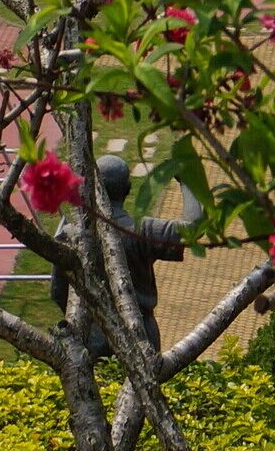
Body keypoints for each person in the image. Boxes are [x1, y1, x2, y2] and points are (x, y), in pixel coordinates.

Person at [49, 153, 193, 367]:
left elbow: (58, 292)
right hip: (142, 335)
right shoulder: (142, 231)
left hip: (92, 338)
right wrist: (189, 182)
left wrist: (87, 321)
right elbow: (193, 228)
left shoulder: (70, 236)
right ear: (128, 190)